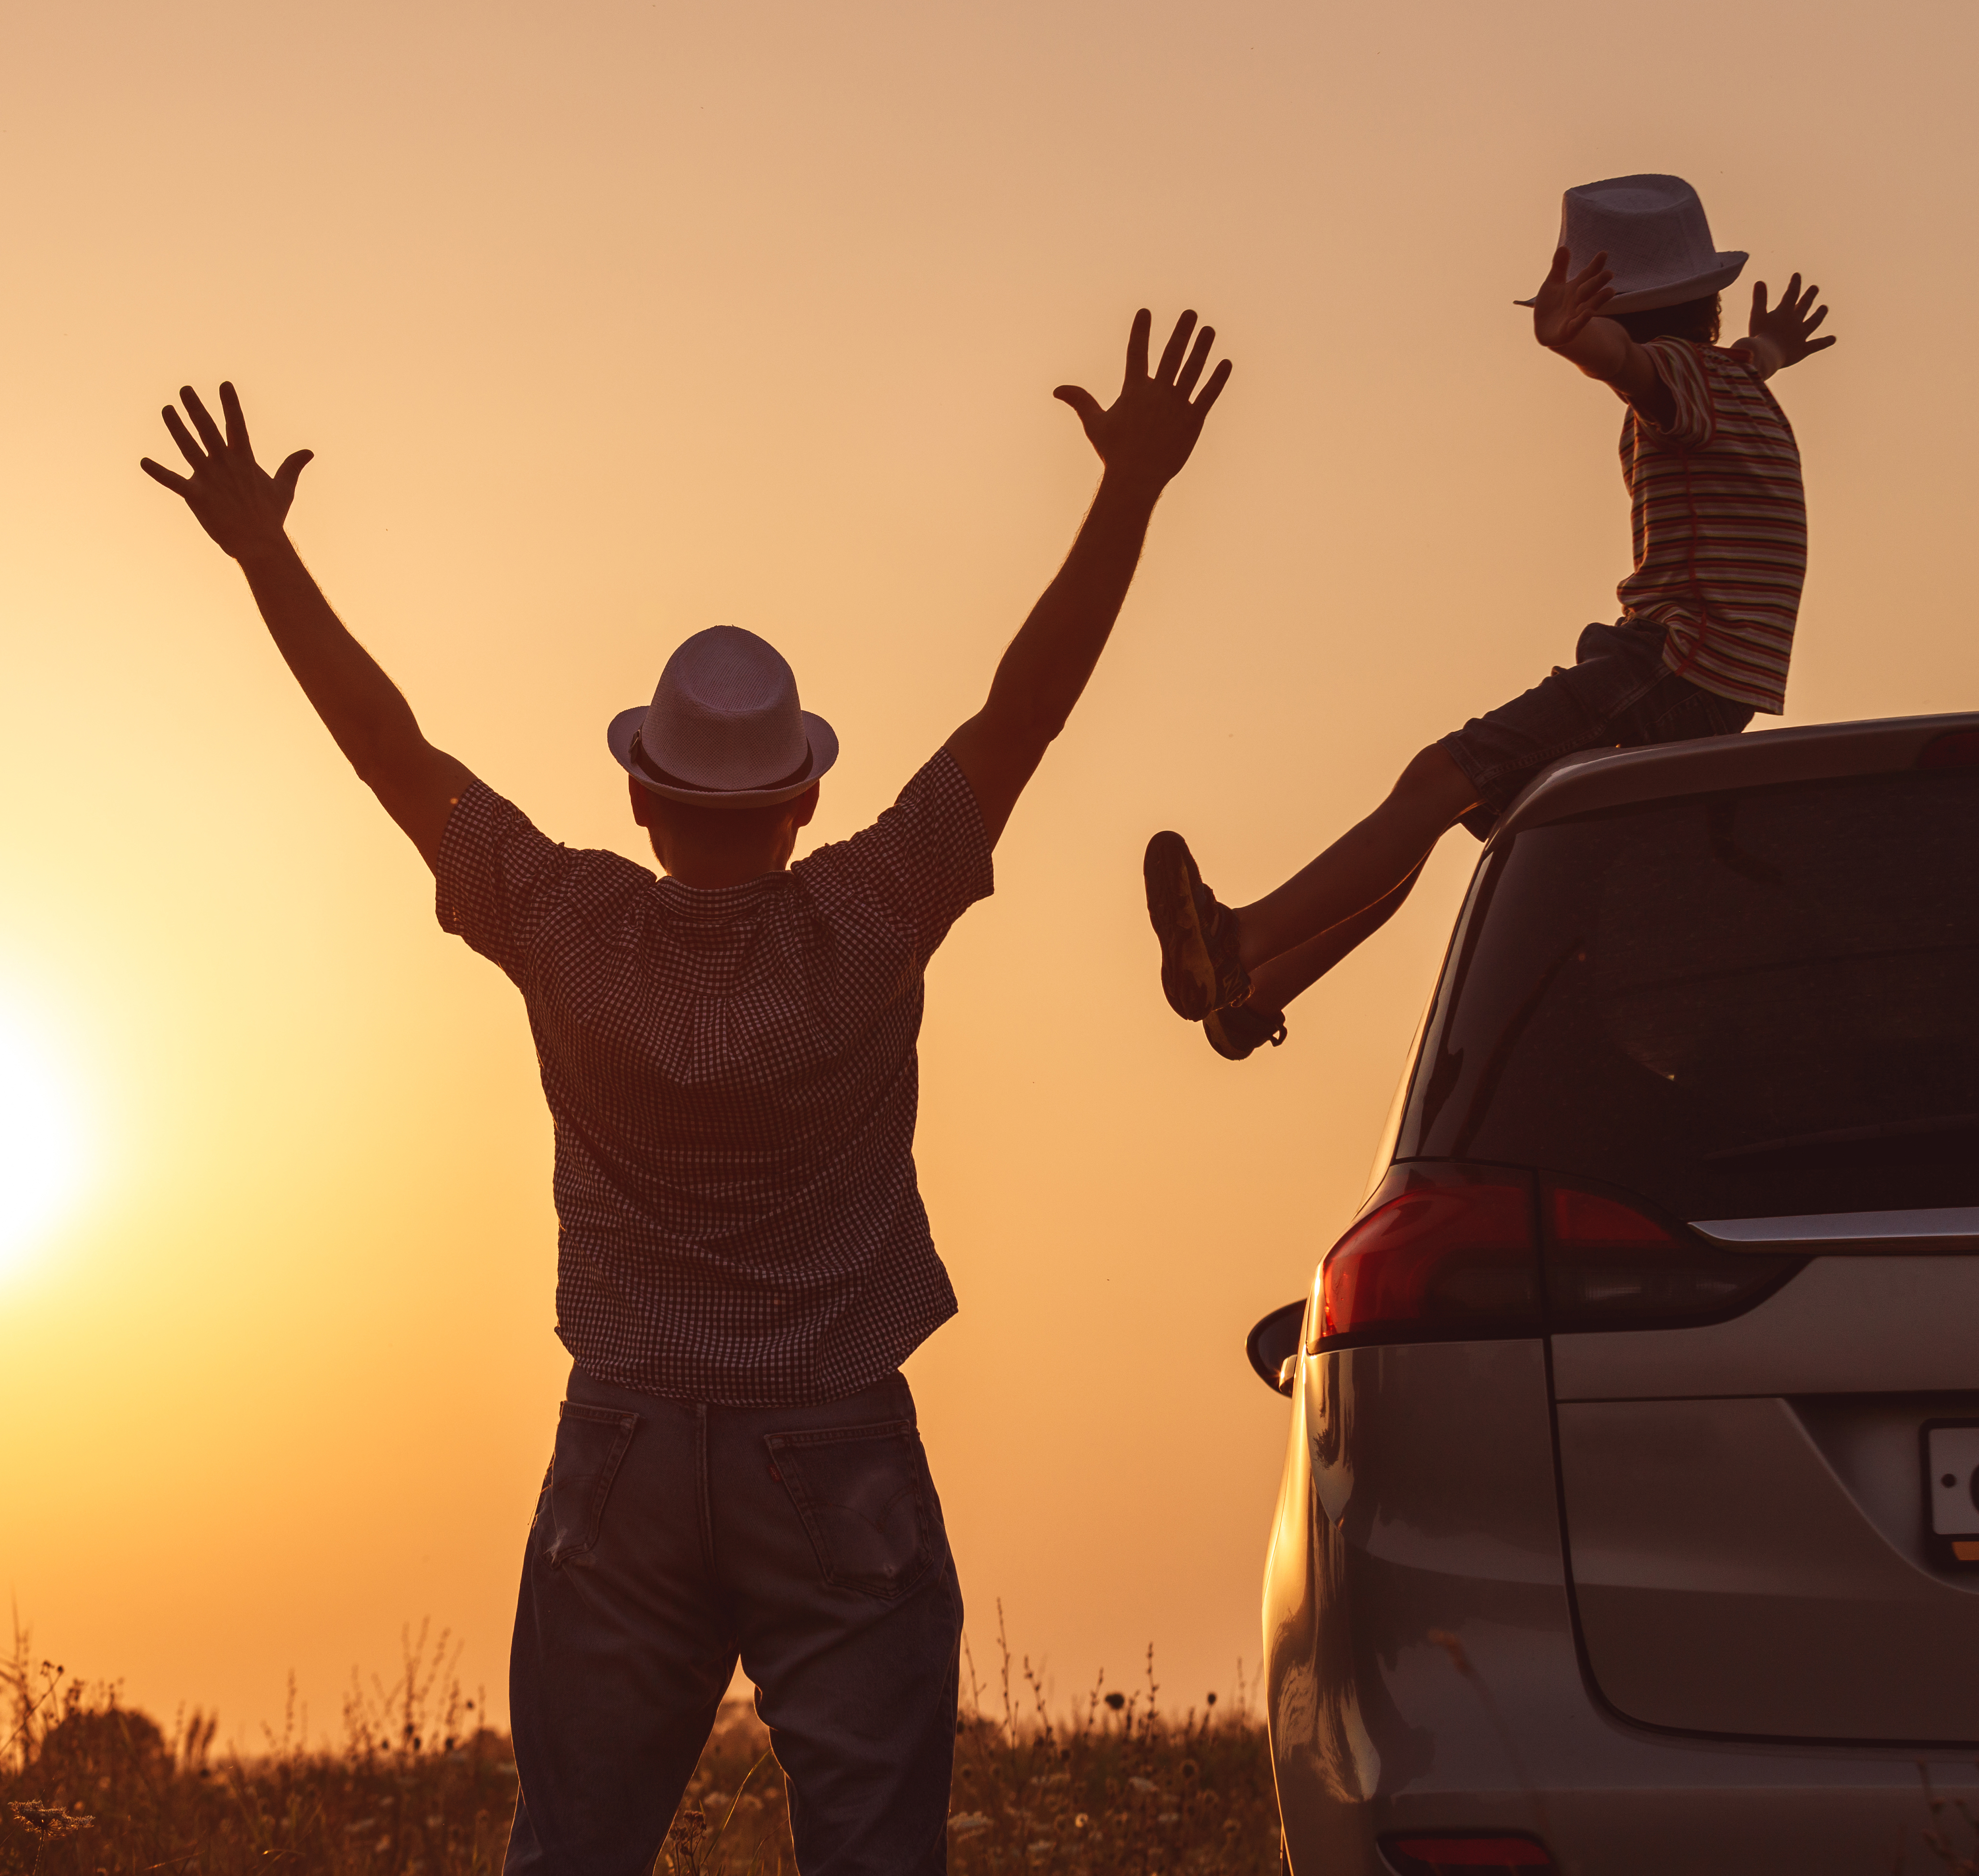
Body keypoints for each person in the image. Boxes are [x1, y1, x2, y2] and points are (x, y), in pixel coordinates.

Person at [138, 309, 1232, 1876]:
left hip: (627, 1452)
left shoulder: (562, 921)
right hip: (837, 1446)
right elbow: (1024, 711)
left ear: (640, 795)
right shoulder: (871, 909)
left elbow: (388, 749)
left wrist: (262, 554)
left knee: (572, 1850)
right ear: (803, 798)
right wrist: (1130, 488)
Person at [1142, 174, 1836, 1059]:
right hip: (1708, 681)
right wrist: (1768, 347)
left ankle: (1238, 945)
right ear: (1709, 305)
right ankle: (1255, 1000)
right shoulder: (1735, 385)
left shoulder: (1674, 379)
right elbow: (1727, 366)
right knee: (1445, 808)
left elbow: (1631, 367)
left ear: (1621, 315)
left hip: (1674, 662)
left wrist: (1571, 339)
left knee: (1435, 778)